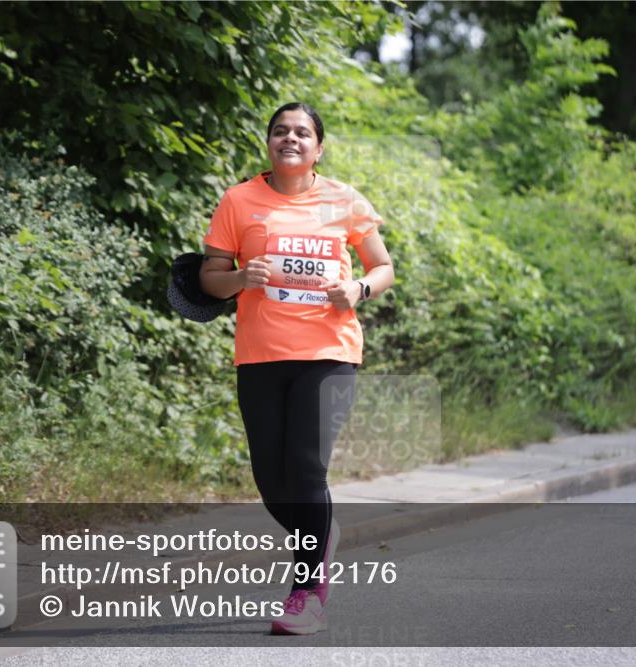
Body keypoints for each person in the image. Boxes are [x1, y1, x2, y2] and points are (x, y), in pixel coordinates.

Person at [199, 102, 394, 635]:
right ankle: (320, 529)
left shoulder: (344, 200)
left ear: (318, 147)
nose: (291, 138)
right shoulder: (239, 201)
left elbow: (383, 267)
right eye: (281, 131)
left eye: (302, 132)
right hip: (260, 354)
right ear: (269, 143)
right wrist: (242, 278)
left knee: (307, 469)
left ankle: (306, 594)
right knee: (271, 477)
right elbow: (210, 277)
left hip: (328, 352)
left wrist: (356, 289)